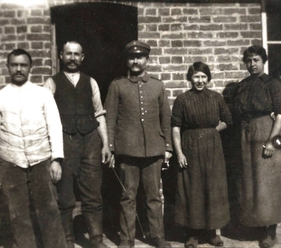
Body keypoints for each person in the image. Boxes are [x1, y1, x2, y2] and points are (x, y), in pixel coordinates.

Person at [0, 48, 67, 248]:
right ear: (8, 67)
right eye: (14, 65)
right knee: (18, 214)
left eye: (23, 65)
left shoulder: (43, 94)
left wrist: (56, 160)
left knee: (49, 210)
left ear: (30, 67)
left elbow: (55, 127)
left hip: (41, 160)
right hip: (10, 163)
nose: (19, 69)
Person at [104, 40, 172, 248]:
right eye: (132, 57)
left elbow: (165, 118)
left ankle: (157, 236)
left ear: (147, 60)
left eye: (140, 57)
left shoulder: (157, 85)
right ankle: (126, 238)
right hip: (127, 150)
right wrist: (111, 148)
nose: (135, 61)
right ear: (127, 60)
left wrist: (167, 147)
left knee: (153, 196)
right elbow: (110, 118)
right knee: (128, 196)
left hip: (153, 149)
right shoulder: (117, 85)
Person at [44, 41, 111, 248]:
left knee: (92, 192)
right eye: (68, 54)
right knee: (64, 194)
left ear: (82, 57)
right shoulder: (51, 83)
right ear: (61, 57)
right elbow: (45, 117)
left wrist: (106, 144)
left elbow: (99, 114)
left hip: (90, 140)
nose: (72, 58)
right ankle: (68, 241)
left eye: (76, 54)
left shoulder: (90, 82)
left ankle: (96, 240)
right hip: (63, 140)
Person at [233, 45, 281, 248]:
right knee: (251, 183)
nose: (252, 64)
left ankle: (270, 232)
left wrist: (271, 142)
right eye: (249, 61)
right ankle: (257, 227)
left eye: (256, 60)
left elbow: (280, 115)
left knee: (269, 184)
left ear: (263, 61)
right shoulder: (242, 85)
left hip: (265, 132)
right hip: (246, 135)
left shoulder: (272, 84)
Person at [171, 62, 232, 248]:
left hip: (212, 148)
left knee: (213, 187)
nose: (200, 80)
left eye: (203, 77)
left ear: (208, 78)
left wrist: (212, 131)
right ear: (190, 78)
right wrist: (179, 152)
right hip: (189, 146)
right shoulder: (182, 100)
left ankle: (213, 233)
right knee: (192, 188)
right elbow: (175, 128)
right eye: (196, 76)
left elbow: (228, 121)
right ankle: (192, 234)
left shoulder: (216, 98)